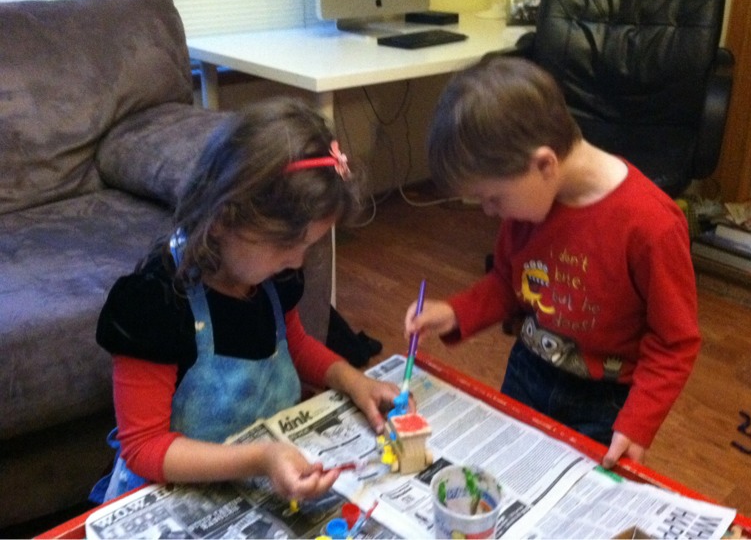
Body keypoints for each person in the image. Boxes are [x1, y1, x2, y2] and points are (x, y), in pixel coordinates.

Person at [91, 98, 401, 504]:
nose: (298, 261)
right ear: (223, 220)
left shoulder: (273, 278)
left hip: (260, 478)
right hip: (173, 493)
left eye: (308, 245)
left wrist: (352, 380)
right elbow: (144, 447)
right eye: (287, 245)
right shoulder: (155, 303)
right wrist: (261, 458)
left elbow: (294, 345)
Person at [404, 57, 701, 469]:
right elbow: (508, 282)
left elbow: (674, 341)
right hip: (529, 371)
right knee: (508, 472)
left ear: (544, 164)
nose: (489, 212)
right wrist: (455, 313)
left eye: (493, 198)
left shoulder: (652, 225)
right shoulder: (528, 205)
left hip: (604, 399)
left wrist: (638, 422)